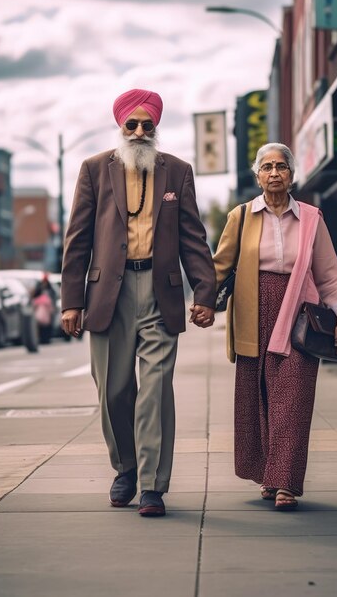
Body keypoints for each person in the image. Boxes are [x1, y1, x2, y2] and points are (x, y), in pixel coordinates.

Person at [61, 89, 216, 517]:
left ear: (157, 128)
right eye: (132, 124)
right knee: (113, 391)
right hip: (107, 293)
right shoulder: (94, 169)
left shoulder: (178, 172)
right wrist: (71, 301)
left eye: (148, 124)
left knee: (155, 390)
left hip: (160, 290)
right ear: (120, 126)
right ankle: (125, 468)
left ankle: (151, 484)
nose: (141, 131)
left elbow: (192, 236)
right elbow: (77, 239)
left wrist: (205, 292)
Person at [213, 142, 337, 510]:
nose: (275, 173)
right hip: (252, 309)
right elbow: (220, 266)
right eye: (267, 167)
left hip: (300, 314)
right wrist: (201, 302)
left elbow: (329, 273)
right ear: (257, 174)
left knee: (293, 397)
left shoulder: (311, 218)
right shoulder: (241, 216)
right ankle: (266, 473)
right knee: (256, 395)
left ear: (292, 174)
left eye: (282, 166)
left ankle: (286, 482)